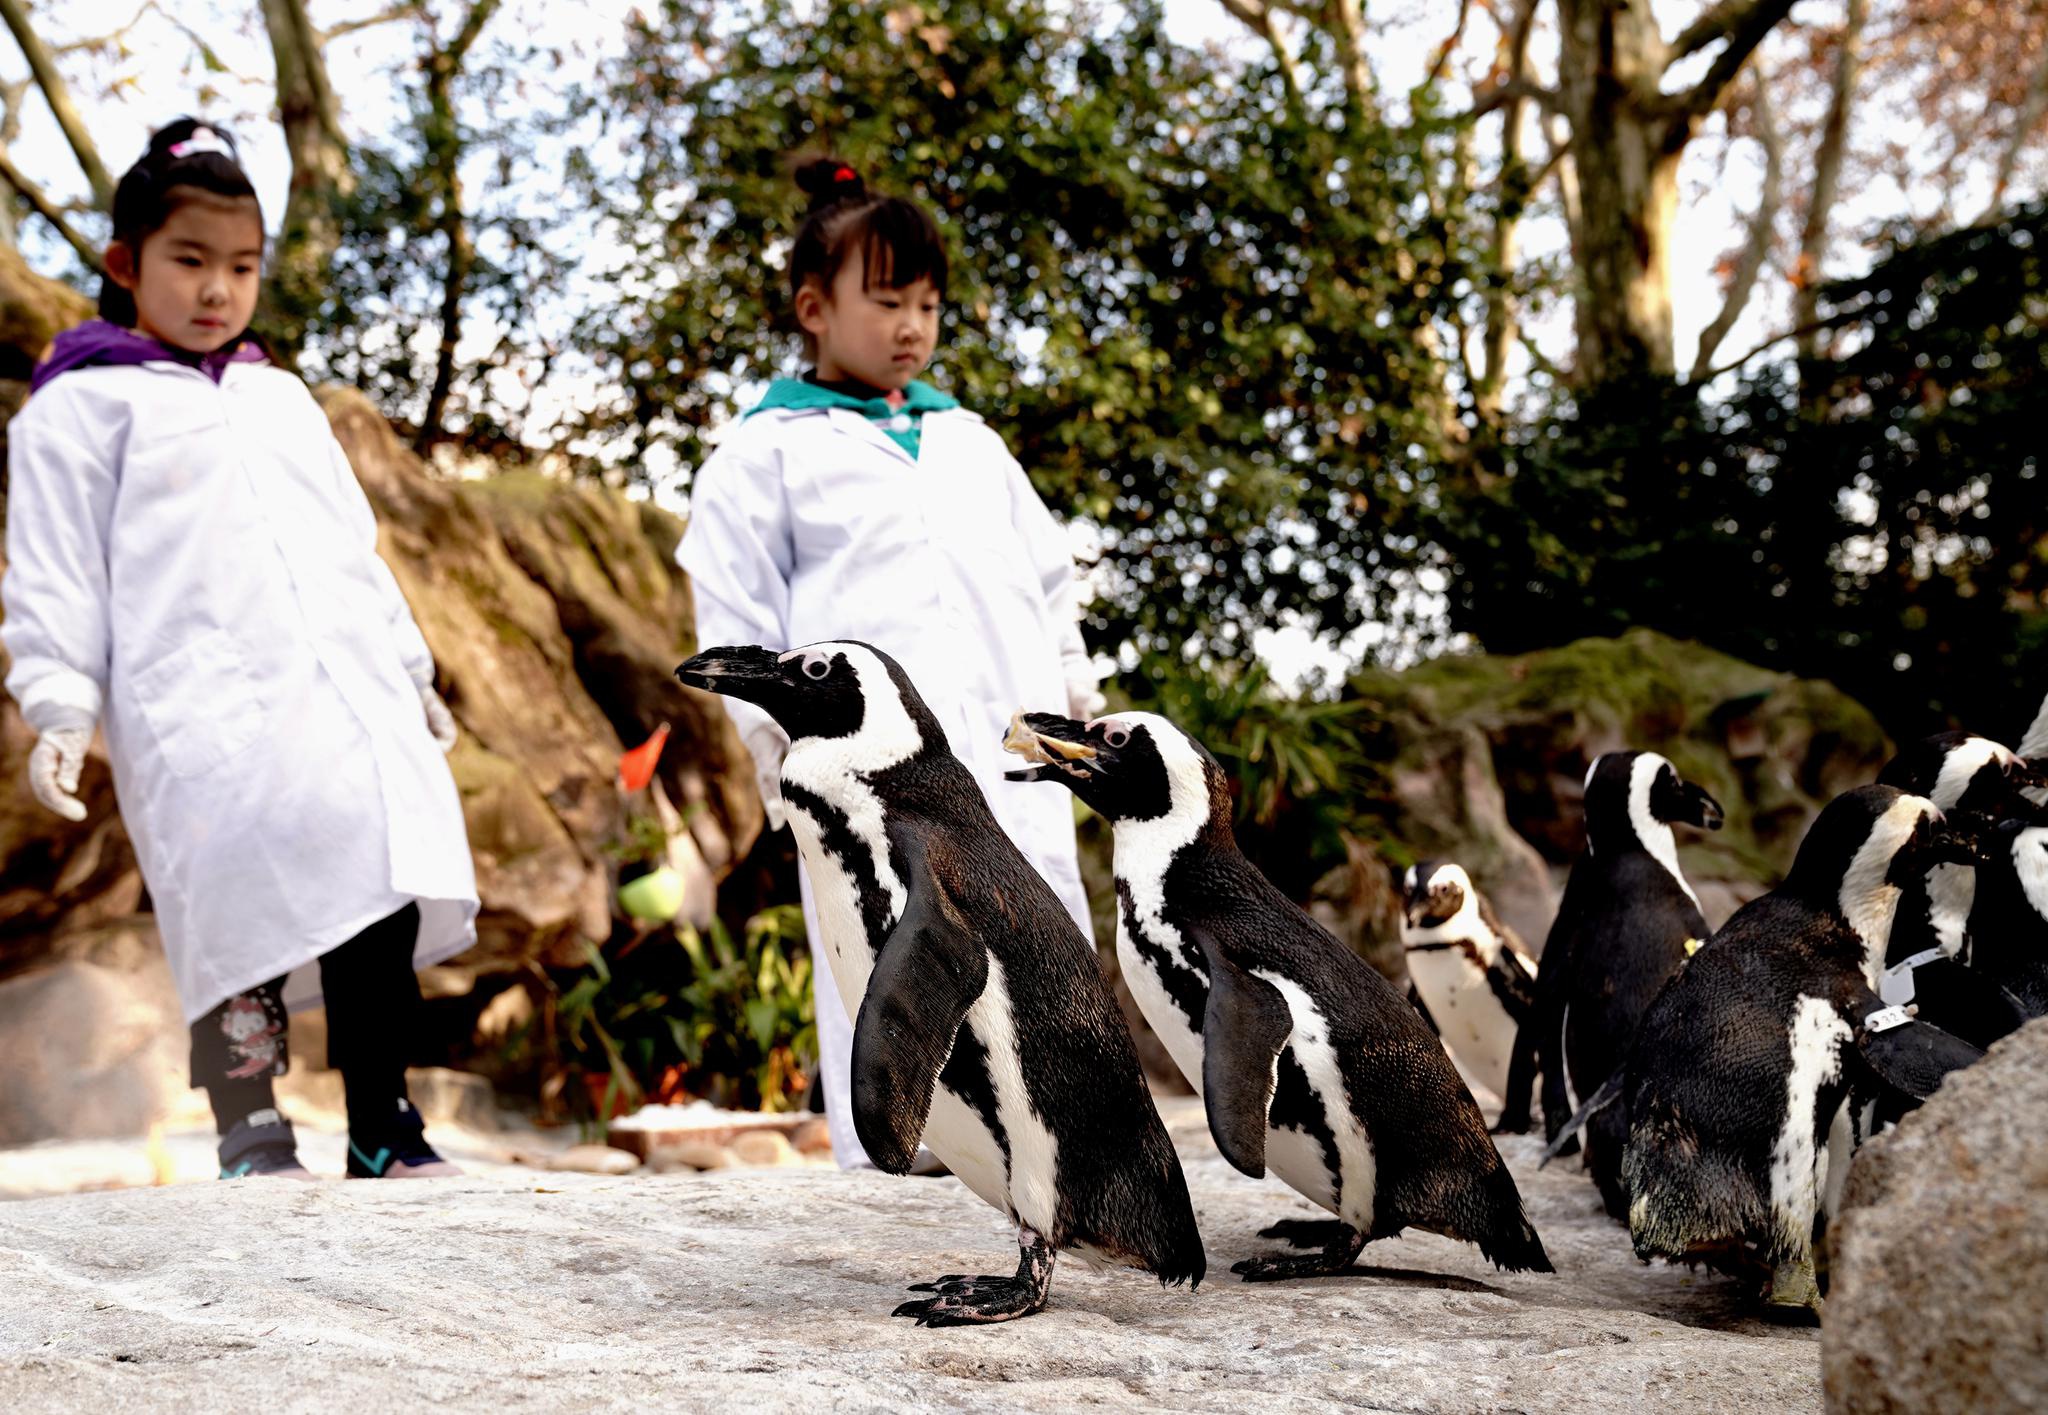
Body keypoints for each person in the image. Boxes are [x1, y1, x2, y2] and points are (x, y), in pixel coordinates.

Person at [3, 119, 479, 1180]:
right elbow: (54, 571)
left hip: (343, 690)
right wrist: (59, 701)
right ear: (124, 263)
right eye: (189, 261)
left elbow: (351, 544)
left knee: (378, 886)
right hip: (200, 704)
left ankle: (383, 1120)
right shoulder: (78, 408)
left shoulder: (279, 396)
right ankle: (249, 1125)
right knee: (229, 908)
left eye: (242, 266)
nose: (218, 290)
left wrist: (409, 668)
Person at [679, 157, 1104, 1168]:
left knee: (1040, 931)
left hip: (1010, 750)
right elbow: (736, 613)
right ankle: (902, 1147)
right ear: (814, 309)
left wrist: (1076, 701)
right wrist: (782, 763)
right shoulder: (764, 455)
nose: (912, 326)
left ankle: (1072, 1143)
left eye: (928, 304)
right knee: (887, 935)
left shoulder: (971, 441)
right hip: (871, 776)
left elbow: (1047, 581)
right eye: (886, 301)